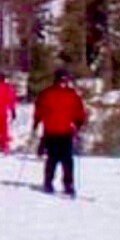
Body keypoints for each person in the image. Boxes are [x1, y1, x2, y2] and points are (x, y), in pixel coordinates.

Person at [33, 68, 87, 196]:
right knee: (59, 159)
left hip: (60, 130)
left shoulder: (64, 94)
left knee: (60, 159)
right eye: (63, 79)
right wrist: (36, 121)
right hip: (57, 130)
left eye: (65, 80)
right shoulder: (54, 94)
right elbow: (39, 109)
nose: (64, 82)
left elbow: (78, 110)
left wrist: (79, 122)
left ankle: (60, 183)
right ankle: (57, 183)